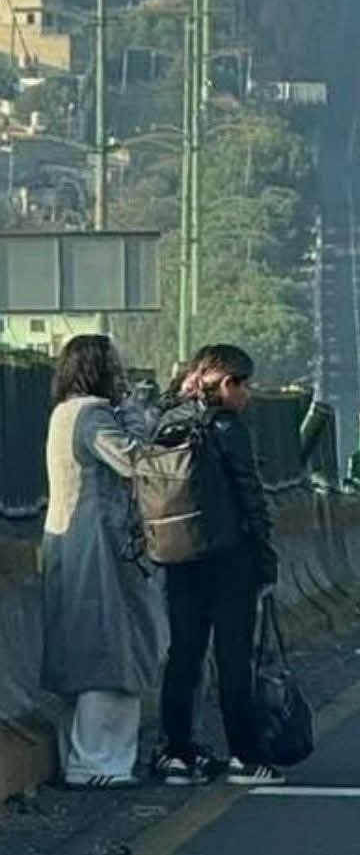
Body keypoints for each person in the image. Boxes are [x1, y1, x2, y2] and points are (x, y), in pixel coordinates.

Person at [152, 344, 283, 786]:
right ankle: (245, 755)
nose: (248, 395)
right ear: (227, 384)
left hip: (178, 555)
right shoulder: (227, 427)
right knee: (233, 659)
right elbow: (250, 494)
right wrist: (265, 557)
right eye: (244, 385)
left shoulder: (168, 420)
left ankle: (176, 753)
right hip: (230, 559)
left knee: (184, 656)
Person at [41, 334, 163, 789]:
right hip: (99, 543)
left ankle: (83, 756)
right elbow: (135, 461)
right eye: (115, 367)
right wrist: (135, 415)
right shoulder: (93, 414)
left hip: (71, 542)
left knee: (84, 644)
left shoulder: (63, 412)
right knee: (111, 646)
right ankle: (99, 762)